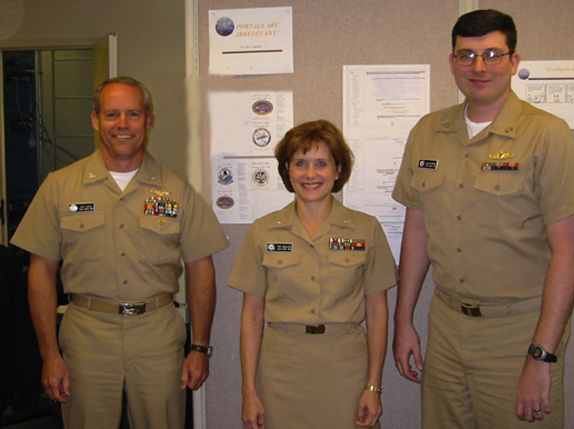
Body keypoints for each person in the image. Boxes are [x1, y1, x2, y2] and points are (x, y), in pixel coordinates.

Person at [392, 9, 574, 428]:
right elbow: (417, 229)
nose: (478, 67)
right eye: (466, 55)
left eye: (492, 54)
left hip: (519, 332)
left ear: (514, 61)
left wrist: (541, 355)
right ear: (451, 62)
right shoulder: (427, 132)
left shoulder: (548, 134)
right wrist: (403, 319)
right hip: (446, 327)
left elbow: (571, 254)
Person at [10, 76, 229, 428]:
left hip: (157, 336)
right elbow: (41, 271)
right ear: (95, 120)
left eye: (133, 114)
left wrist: (200, 348)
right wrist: (49, 354)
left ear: (148, 119)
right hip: (86, 336)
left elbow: (202, 268)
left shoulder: (176, 190)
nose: (123, 125)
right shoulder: (60, 186)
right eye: (112, 114)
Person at [228, 120, 397, 429]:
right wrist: (248, 392)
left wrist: (373, 387)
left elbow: (377, 312)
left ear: (338, 170)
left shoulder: (366, 229)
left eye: (321, 163)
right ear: (287, 171)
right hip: (280, 369)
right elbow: (251, 316)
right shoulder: (263, 231)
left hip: (345, 369)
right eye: (300, 163)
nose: (310, 174)